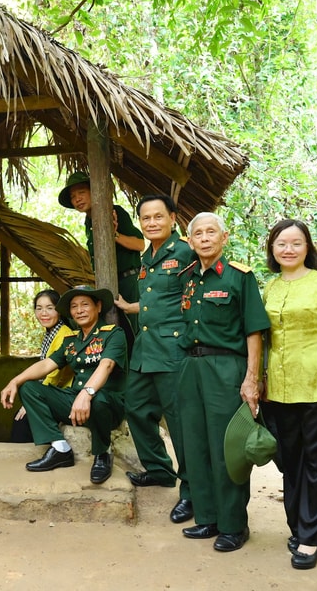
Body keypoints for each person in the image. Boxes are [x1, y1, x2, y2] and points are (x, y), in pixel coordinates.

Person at [261, 219, 317, 569]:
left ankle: (313, 537)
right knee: (290, 462)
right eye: (281, 243)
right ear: (272, 249)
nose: (288, 249)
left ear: (308, 248)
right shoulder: (269, 288)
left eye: (296, 243)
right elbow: (263, 338)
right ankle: (301, 526)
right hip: (280, 388)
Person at [178, 212, 270, 552]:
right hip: (191, 368)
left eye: (210, 232)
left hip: (226, 368)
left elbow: (254, 330)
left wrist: (251, 378)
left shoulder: (239, 278)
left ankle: (233, 525)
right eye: (197, 233)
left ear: (224, 237)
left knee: (227, 448)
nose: (204, 238)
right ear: (190, 241)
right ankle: (208, 518)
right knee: (195, 446)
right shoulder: (187, 279)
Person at [114, 195, 195, 524]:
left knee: (179, 423)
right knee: (135, 407)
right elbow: (155, 300)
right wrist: (131, 307)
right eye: (145, 218)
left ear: (173, 218)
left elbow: (193, 299)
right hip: (146, 348)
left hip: (174, 349)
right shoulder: (147, 256)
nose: (151, 223)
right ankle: (160, 469)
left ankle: (190, 491)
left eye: (158, 217)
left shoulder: (186, 252)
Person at [0, 286, 127, 484]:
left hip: (107, 406)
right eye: (74, 306)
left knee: (100, 399)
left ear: (98, 306)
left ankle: (103, 454)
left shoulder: (113, 334)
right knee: (30, 388)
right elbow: (46, 364)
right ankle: (60, 449)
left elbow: (107, 365)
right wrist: (15, 381)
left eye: (85, 304)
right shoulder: (71, 341)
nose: (79, 310)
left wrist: (87, 393)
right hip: (77, 404)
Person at [58, 171, 144, 334]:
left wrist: (114, 235)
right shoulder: (88, 221)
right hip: (108, 283)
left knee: (133, 329)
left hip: (128, 280)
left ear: (94, 191)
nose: (77, 199)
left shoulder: (115, 211)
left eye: (82, 192)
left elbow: (140, 244)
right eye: (73, 196)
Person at [11, 289, 75, 443]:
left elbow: (54, 375)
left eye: (49, 308)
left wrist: (34, 400)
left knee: (22, 421)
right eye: (39, 308)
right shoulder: (52, 332)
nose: (43, 313)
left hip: (64, 393)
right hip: (52, 390)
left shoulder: (64, 334)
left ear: (59, 310)